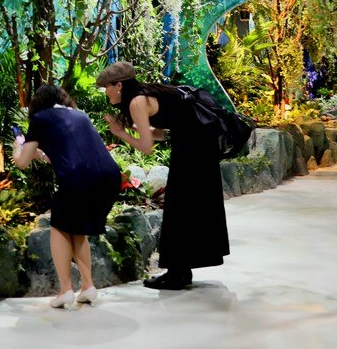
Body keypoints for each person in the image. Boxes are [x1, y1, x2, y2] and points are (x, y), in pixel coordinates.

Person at [96, 61, 229, 290]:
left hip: (194, 148)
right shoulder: (144, 95)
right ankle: (180, 271)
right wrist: (132, 128)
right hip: (198, 145)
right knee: (186, 207)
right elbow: (161, 134)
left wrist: (120, 133)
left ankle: (176, 275)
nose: (105, 92)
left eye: (106, 87)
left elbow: (146, 147)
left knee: (178, 207)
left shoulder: (137, 101)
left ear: (118, 86)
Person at [12, 84, 121, 308]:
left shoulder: (41, 118)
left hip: (78, 177)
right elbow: (61, 154)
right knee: (77, 229)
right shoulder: (80, 115)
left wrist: (17, 148)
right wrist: (40, 154)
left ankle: (65, 290)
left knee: (59, 228)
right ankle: (88, 286)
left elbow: (22, 162)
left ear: (37, 103)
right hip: (109, 177)